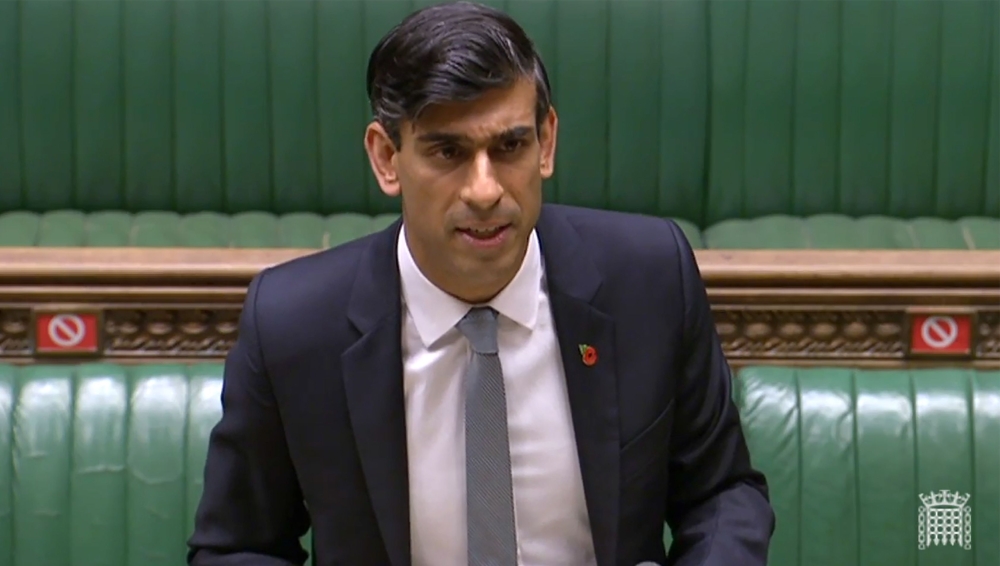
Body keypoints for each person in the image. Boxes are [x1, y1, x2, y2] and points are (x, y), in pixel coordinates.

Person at [187, 2, 775, 565]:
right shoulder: (294, 326)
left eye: (510, 146)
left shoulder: (647, 280)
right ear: (386, 157)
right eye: (448, 151)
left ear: (546, 141)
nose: (485, 190)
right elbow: (239, 546)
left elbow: (722, 494)